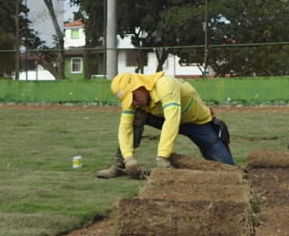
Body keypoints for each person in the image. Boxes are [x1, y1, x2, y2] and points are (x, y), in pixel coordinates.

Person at [96, 72, 234, 178]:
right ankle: (119, 165)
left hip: (196, 123)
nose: (133, 103)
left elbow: (172, 120)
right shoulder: (136, 102)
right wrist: (128, 158)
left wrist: (162, 156)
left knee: (229, 169)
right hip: (162, 118)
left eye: (133, 98)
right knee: (136, 117)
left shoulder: (165, 84)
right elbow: (124, 128)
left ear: (139, 86)